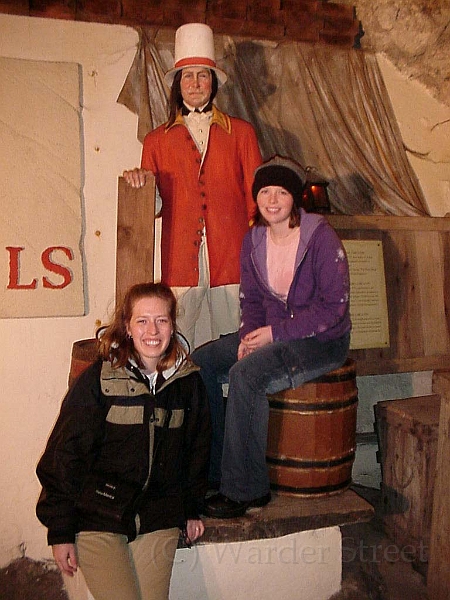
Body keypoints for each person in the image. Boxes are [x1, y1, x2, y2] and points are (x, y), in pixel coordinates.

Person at [192, 156, 352, 517]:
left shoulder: (321, 239)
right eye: (265, 191)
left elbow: (333, 309)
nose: (273, 200)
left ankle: (247, 490)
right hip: (270, 333)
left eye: (282, 192)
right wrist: (249, 337)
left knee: (246, 376)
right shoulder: (254, 240)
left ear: (296, 198)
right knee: (202, 361)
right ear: (256, 197)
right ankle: (217, 472)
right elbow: (253, 300)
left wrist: (275, 334)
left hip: (320, 341)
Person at [36, 282, 211, 600]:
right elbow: (65, 455)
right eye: (142, 320)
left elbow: (197, 451)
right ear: (128, 327)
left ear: (172, 326)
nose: (152, 330)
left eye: (162, 320)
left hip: (159, 515)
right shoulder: (99, 380)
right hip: (99, 516)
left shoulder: (189, 383)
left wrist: (190, 509)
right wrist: (60, 530)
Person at [123, 23, 262, 351]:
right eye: (188, 75)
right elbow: (153, 207)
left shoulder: (241, 133)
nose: (196, 83)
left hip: (232, 259)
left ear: (213, 83)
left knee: (235, 347)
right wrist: (141, 184)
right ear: (178, 83)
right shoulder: (156, 140)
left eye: (203, 75)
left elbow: (259, 198)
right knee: (181, 347)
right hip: (180, 260)